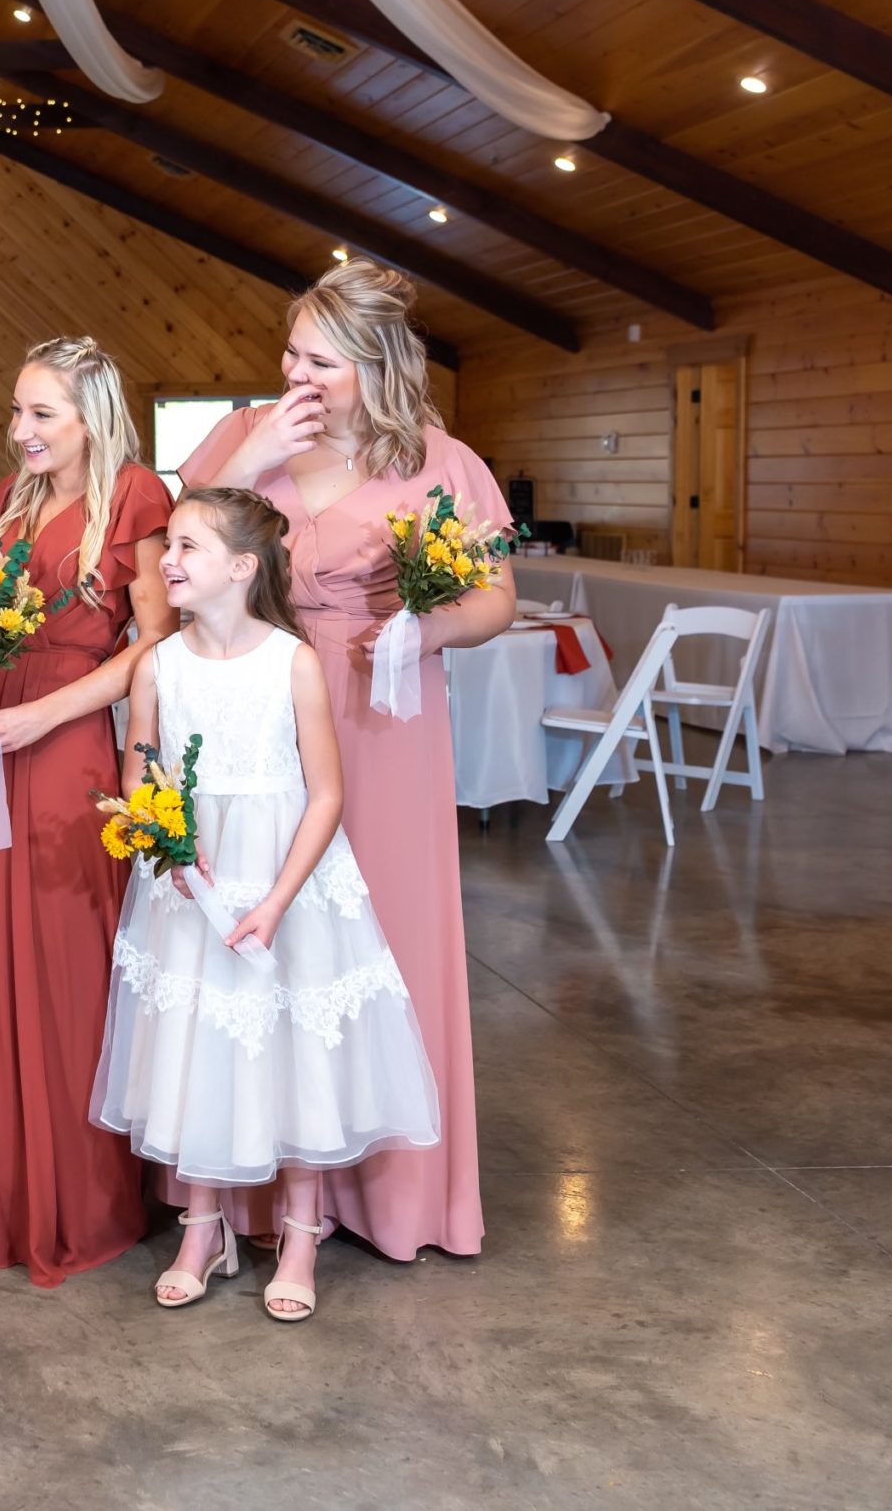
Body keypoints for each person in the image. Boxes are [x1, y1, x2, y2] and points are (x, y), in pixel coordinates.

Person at [177, 260, 514, 1263]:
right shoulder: (246, 434)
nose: (294, 372)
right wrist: (250, 455)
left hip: (384, 715)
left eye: (317, 359)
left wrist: (431, 628)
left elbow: (496, 596)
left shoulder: (440, 459)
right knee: (257, 930)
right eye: (289, 351)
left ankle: (388, 1194)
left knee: (383, 943)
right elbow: (177, 542)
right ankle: (246, 1197)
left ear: (373, 365)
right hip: (257, 704)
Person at [92, 488, 441, 1320]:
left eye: (186, 547)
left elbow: (325, 793)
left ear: (243, 569)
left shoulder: (292, 661)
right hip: (192, 881)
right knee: (199, 1039)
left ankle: (300, 1232)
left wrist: (279, 901)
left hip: (290, 882)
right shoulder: (157, 664)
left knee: (295, 1046)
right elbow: (139, 769)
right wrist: (159, 836)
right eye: (167, 545)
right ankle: (202, 1226)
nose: (167, 560)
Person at [0, 336, 175, 1287]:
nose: (20, 430)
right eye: (18, 411)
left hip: (64, 744)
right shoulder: (7, 501)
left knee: (64, 960)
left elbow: (154, 642)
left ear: (90, 417)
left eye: (42, 414)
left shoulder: (138, 497)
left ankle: (74, 1195)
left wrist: (49, 713)